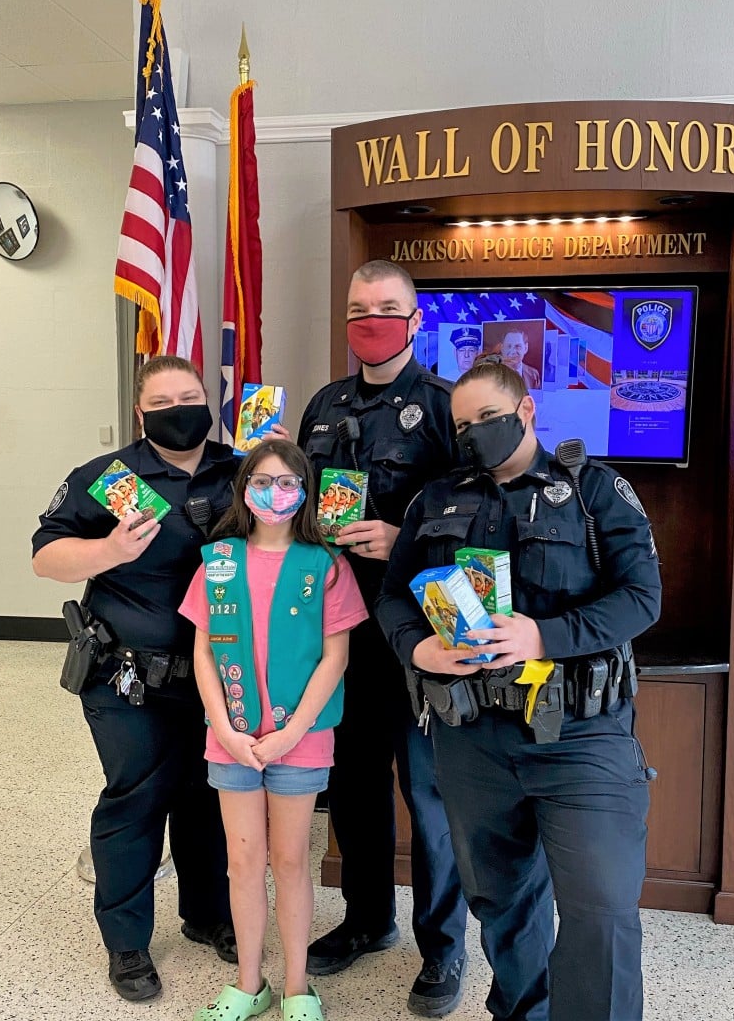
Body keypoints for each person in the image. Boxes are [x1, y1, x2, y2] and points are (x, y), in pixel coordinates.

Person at [376, 359, 662, 1021]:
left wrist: (544, 636)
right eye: (463, 425)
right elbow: (394, 597)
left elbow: (642, 600)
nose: (474, 434)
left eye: (489, 419)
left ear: (526, 411)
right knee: (500, 899)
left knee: (601, 906)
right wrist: (417, 648)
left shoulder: (593, 491)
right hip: (473, 735)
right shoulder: (436, 498)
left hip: (580, 735)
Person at [31, 355, 238, 1002]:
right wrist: (108, 551)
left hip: (220, 678)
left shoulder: (241, 471)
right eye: (164, 398)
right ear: (140, 412)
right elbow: (45, 555)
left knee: (208, 800)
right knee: (137, 801)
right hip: (129, 680)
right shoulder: (108, 479)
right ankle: (127, 945)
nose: (180, 407)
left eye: (192, 394)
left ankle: (207, 916)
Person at [295, 260, 468, 1018]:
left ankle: (444, 949)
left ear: (416, 318)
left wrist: (402, 538)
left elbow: (480, 522)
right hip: (341, 632)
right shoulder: (324, 405)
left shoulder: (442, 408)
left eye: (388, 308)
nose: (372, 320)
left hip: (421, 633)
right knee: (356, 788)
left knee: (428, 795)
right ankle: (367, 920)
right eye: (360, 308)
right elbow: (294, 502)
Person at [179, 440, 368, 1021]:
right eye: (263, 481)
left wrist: (289, 736)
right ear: (243, 489)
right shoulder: (219, 559)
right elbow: (204, 653)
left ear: (307, 492)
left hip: (301, 740)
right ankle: (248, 981)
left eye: (288, 482)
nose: (275, 493)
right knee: (242, 860)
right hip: (231, 738)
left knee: (289, 861)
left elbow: (335, 658)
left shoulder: (327, 564)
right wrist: (224, 727)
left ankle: (295, 985)